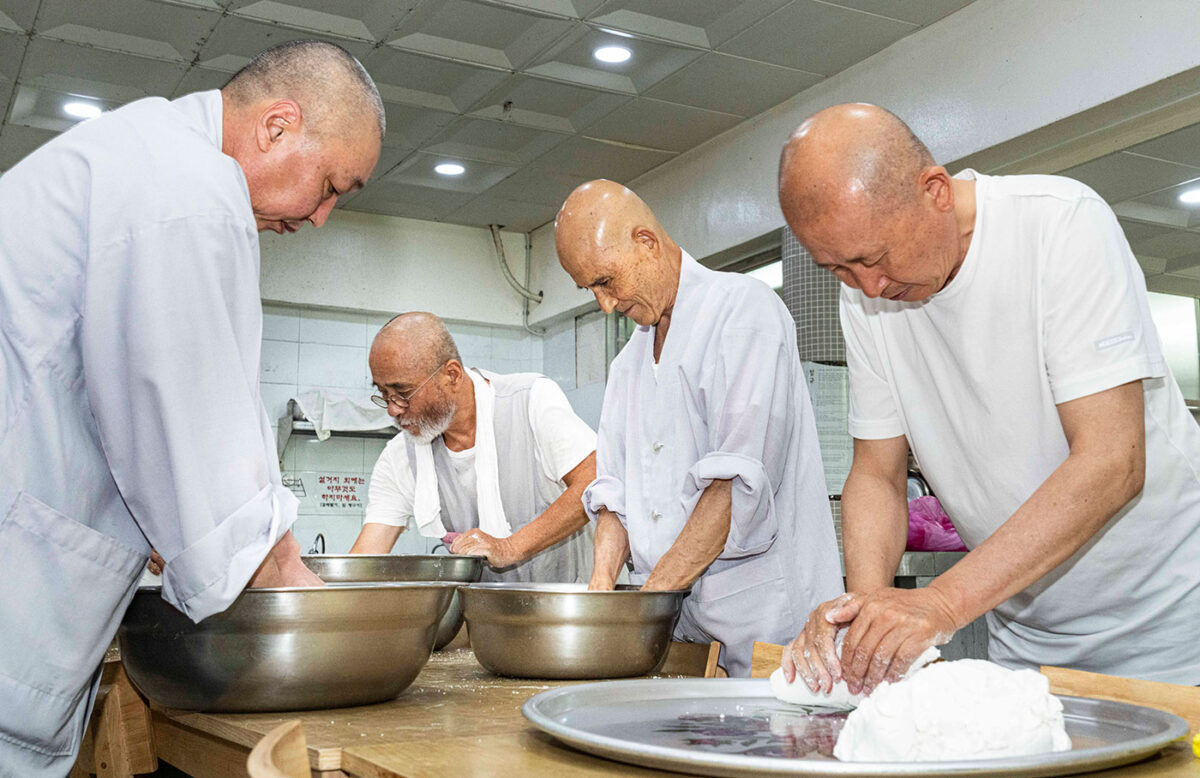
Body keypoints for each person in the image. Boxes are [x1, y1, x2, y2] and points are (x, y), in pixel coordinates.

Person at [0, 40, 383, 774]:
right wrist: (315, 602)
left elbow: (116, 420)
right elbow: (208, 459)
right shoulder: (187, 192)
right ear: (277, 126)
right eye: (332, 184)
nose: (323, 217)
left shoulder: (141, 155)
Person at [776, 103, 1200, 695]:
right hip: (1028, 643)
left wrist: (940, 604)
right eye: (840, 269)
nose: (870, 286)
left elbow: (1112, 462)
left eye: (874, 258)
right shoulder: (867, 300)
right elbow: (876, 473)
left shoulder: (1060, 224)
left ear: (935, 191)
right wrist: (868, 614)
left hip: (1174, 632)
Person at [555, 180, 844, 676]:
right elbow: (614, 495)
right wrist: (602, 596)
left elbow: (733, 486)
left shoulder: (743, 312)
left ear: (646, 242)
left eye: (606, 282)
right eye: (590, 291)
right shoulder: (628, 364)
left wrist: (645, 607)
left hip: (769, 630)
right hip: (681, 628)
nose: (605, 304)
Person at [350, 313, 597, 582]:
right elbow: (366, 557)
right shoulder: (401, 457)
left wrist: (510, 547)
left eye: (403, 393)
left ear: (452, 375)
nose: (393, 409)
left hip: (568, 610)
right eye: (384, 394)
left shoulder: (529, 401)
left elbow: (594, 480)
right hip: (483, 616)